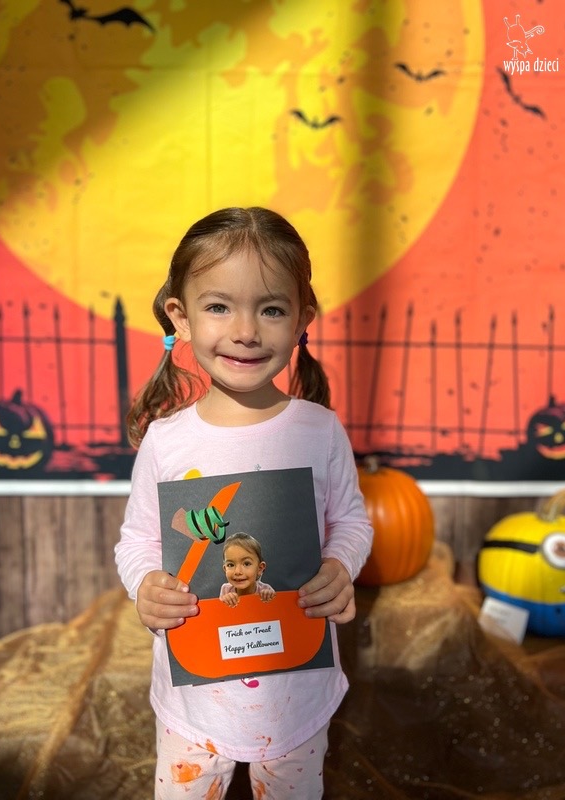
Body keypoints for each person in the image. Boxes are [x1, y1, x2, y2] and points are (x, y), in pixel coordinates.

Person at [115, 206, 373, 800]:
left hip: (296, 694)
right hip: (193, 697)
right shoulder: (167, 441)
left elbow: (351, 521)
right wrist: (145, 584)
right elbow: (138, 541)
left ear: (303, 318)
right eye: (218, 306)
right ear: (180, 317)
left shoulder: (319, 431)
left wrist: (340, 565)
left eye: (271, 309)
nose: (246, 331)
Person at [219, 532, 275, 606]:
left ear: (260, 568)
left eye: (246, 564)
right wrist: (225, 602)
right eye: (231, 565)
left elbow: (275, 609)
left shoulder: (265, 590)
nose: (237, 571)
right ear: (225, 569)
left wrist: (270, 597)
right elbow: (220, 611)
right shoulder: (226, 589)